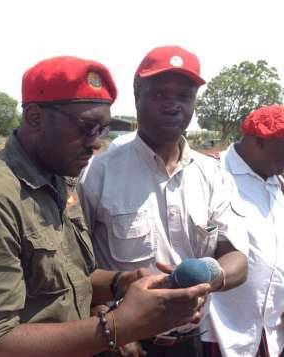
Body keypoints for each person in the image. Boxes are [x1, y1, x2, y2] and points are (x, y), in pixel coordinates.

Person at [0, 56, 210, 357]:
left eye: (102, 130)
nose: (96, 142)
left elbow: (71, 281)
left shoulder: (62, 180)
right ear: (35, 118)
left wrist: (120, 282)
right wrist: (118, 326)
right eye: (87, 128)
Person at [79, 45, 248, 357]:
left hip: (189, 342)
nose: (172, 106)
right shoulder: (97, 172)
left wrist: (207, 277)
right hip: (119, 344)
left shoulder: (213, 175)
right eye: (159, 95)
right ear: (137, 97)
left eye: (183, 97)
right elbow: (74, 270)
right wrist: (106, 319)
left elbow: (236, 260)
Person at [201, 105, 284, 357]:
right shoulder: (210, 173)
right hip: (219, 331)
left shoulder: (278, 183)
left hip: (269, 333)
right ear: (260, 142)